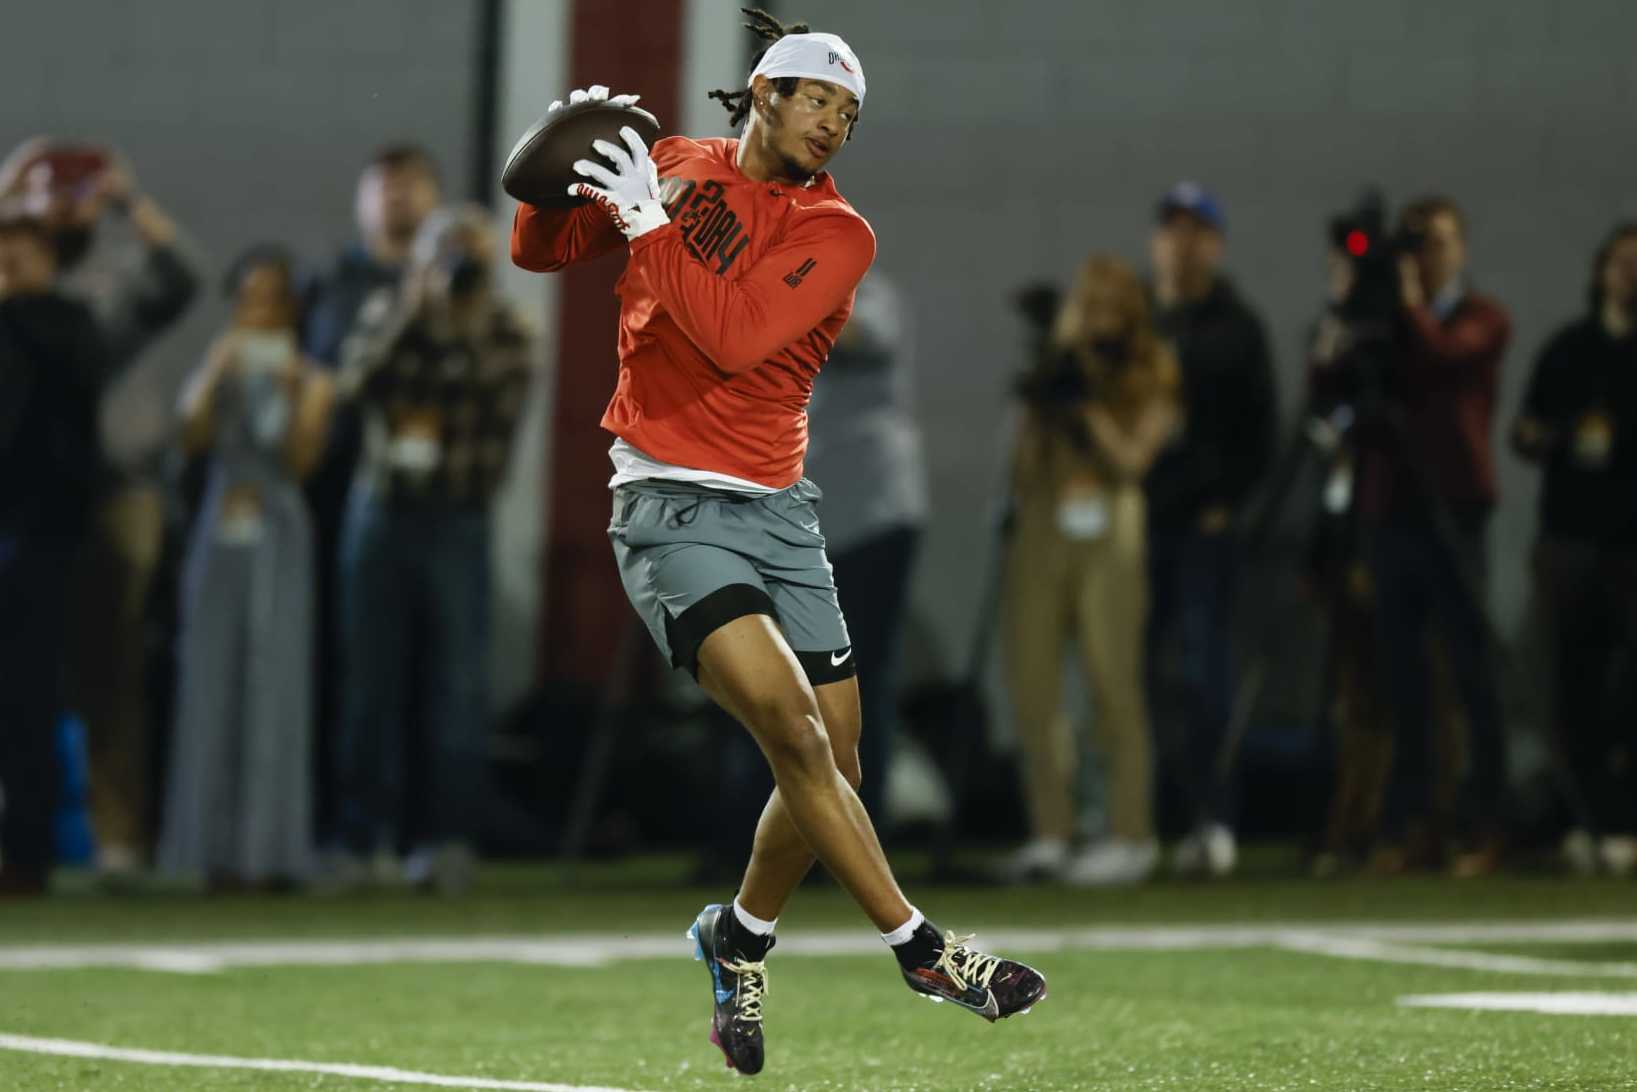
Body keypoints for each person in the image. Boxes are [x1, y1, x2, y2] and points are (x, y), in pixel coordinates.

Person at [509, 8, 1046, 1076]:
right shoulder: (673, 163)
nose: (835, 124)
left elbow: (734, 333)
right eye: (819, 100)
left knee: (832, 760)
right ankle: (921, 945)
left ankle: (739, 935)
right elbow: (538, 249)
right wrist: (558, 170)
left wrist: (647, 225)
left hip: (778, 512)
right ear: (763, 91)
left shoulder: (840, 234)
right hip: (669, 504)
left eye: (851, 112)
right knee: (797, 740)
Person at [0, 140, 200, 881]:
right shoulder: (12, 275)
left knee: (109, 664)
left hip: (117, 491)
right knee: (22, 672)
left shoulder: (105, 288)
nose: (56, 203)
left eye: (67, 192)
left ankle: (118, 837)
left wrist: (124, 200)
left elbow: (183, 277)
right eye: (42, 193)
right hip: (27, 501)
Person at [331, 204, 532, 895]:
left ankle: (446, 840)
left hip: (458, 516)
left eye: (469, 253)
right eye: (444, 252)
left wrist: (459, 324)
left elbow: (491, 399)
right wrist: (413, 314)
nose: (457, 266)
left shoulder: (506, 328)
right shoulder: (389, 312)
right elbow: (350, 386)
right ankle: (363, 841)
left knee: (456, 686)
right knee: (369, 682)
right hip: (383, 513)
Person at [157, 247, 334, 889]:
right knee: (209, 673)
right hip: (220, 528)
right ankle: (204, 847)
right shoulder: (220, 367)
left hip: (280, 533)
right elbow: (189, 437)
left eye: (270, 296)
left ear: (290, 305)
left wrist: (292, 393)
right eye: (247, 296)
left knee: (273, 681)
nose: (256, 308)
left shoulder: (314, 378)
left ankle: (267, 849)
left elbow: (300, 462)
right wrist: (214, 367)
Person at [1001, 256, 1180, 887]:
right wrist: (1047, 392)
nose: (1095, 318)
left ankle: (1131, 832)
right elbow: (1021, 469)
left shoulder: (1150, 369)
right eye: (1088, 305)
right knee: (1034, 684)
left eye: (1108, 306)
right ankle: (1052, 830)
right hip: (1046, 522)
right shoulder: (1060, 370)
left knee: (1113, 681)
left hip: (1110, 520)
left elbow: (1133, 459)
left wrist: (1089, 409)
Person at [301, 144, 443, 845]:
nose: (397, 199)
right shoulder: (332, 287)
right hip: (344, 496)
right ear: (362, 200)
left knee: (435, 675)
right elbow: (322, 383)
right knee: (352, 671)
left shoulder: (460, 282)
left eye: (412, 187)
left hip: (442, 498)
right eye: (383, 186)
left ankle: (429, 834)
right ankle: (348, 826)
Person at [1142, 183, 1276, 877]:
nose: (1182, 243)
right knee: (1135, 680)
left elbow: (1261, 432)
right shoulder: (1137, 320)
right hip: (1135, 524)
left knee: (1203, 673)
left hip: (1201, 526)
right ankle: (1147, 826)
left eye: (1197, 231)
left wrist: (1229, 501)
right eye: (1173, 229)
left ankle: (1213, 817)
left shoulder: (1236, 326)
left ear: (1215, 244)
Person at [1512, 223, 1637, 874]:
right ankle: (1591, 821)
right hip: (1570, 542)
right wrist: (1555, 438)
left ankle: (1626, 818)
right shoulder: (1568, 349)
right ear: (1599, 271)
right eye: (1620, 262)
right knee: (1573, 688)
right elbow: (1524, 431)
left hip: (1630, 546)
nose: (1628, 274)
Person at [0, 211, 109, 896]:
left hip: (39, 531)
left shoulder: (70, 324)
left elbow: (69, 391)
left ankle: (28, 853)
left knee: (27, 694)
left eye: (21, 256)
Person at [803, 271, 928, 824]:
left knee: (856, 680)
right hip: (799, 523)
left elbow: (861, 335)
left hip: (871, 517)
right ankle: (767, 837)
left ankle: (862, 829)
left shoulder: (857, 284)